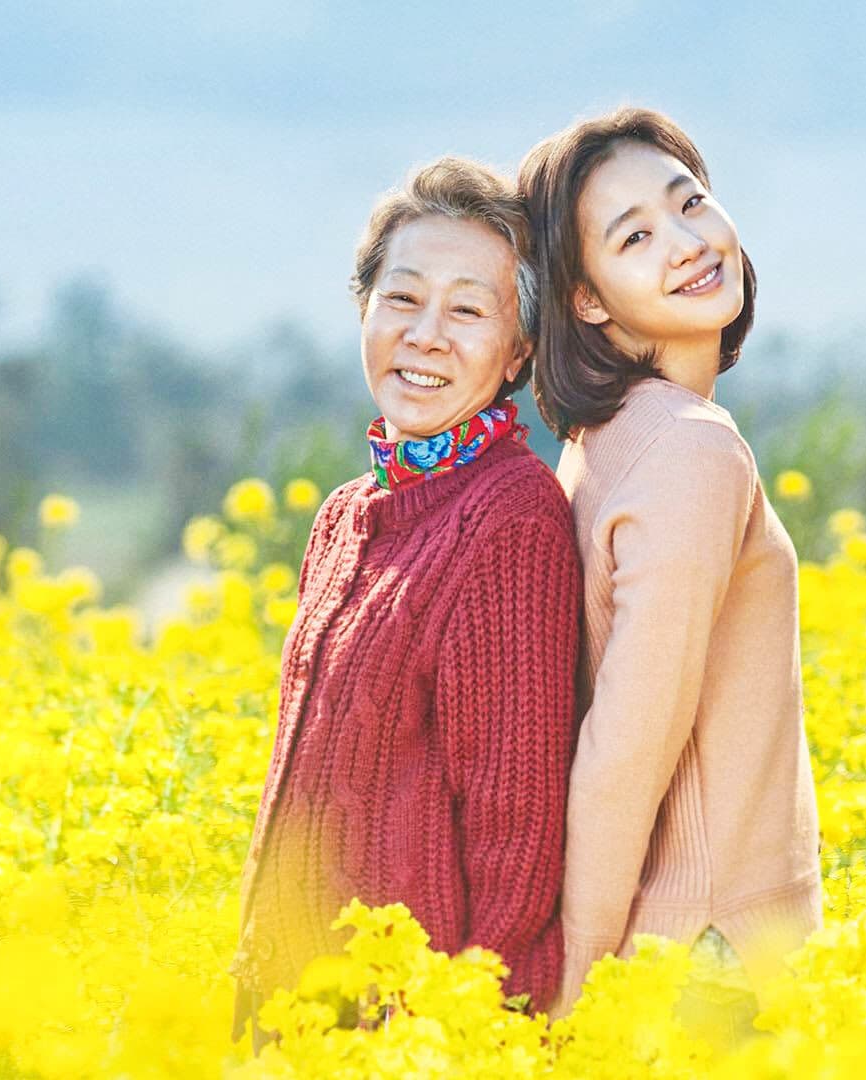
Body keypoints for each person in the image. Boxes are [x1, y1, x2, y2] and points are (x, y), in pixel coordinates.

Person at [229, 157, 582, 1045]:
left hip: (404, 1033)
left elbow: (518, 844)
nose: (426, 335)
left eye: (468, 310)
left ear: (520, 350)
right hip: (292, 1014)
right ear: (364, 311)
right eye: (402, 299)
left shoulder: (510, 518)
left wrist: (447, 1038)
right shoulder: (346, 516)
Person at [518, 108, 822, 1031]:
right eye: (635, 236)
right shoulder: (690, 450)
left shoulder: (601, 443)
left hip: (675, 954)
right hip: (709, 960)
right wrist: (577, 986)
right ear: (587, 300)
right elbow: (626, 746)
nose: (688, 243)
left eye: (690, 203)